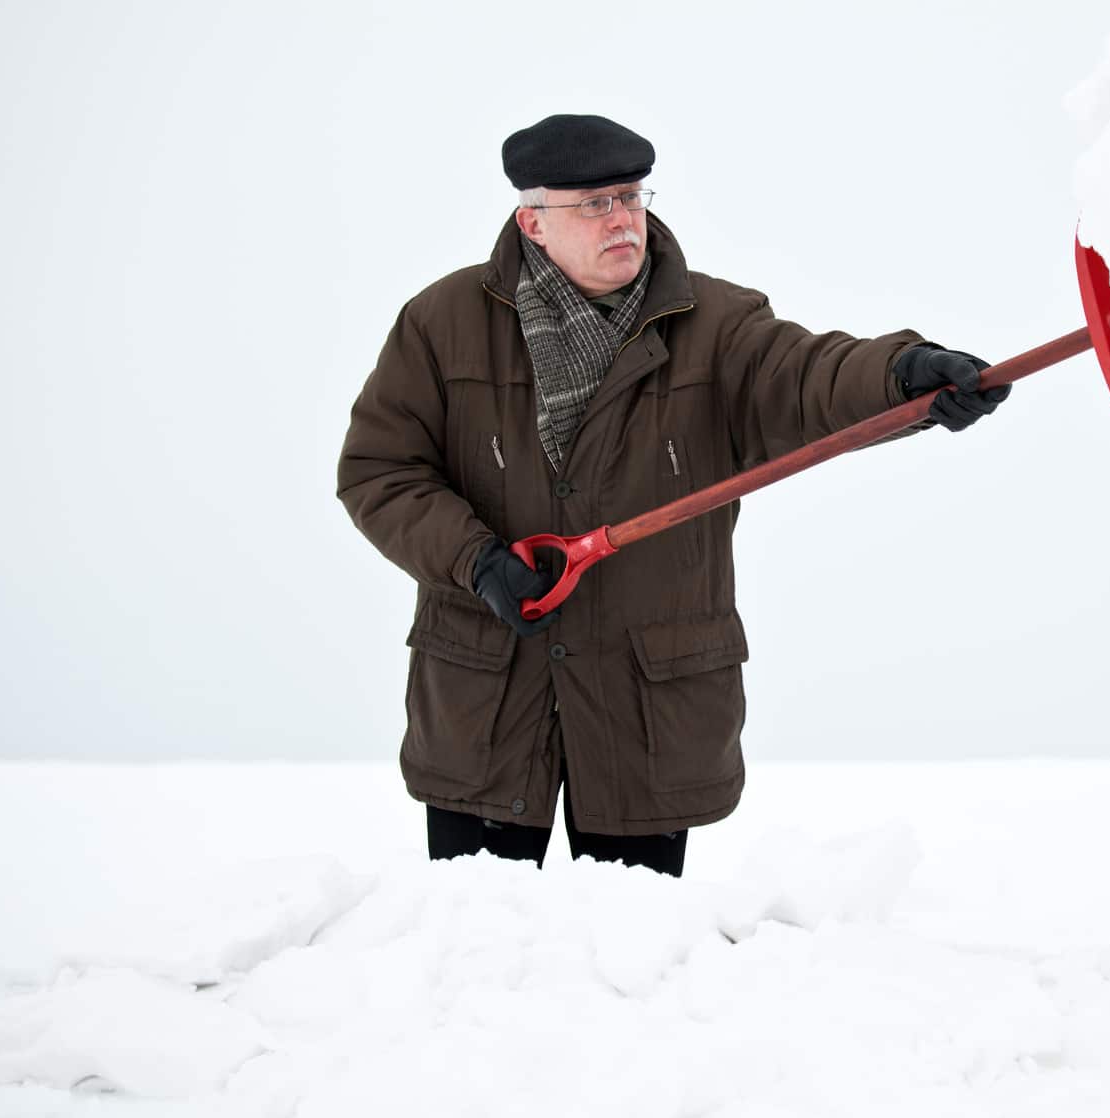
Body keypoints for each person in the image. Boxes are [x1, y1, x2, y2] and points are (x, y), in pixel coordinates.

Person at [337, 114, 1008, 877]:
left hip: (643, 711)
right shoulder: (442, 323)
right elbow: (380, 470)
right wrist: (477, 561)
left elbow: (810, 375)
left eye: (630, 196)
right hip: (484, 701)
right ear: (533, 220)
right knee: (477, 952)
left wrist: (904, 376)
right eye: (594, 204)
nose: (622, 218)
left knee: (634, 961)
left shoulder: (718, 325)